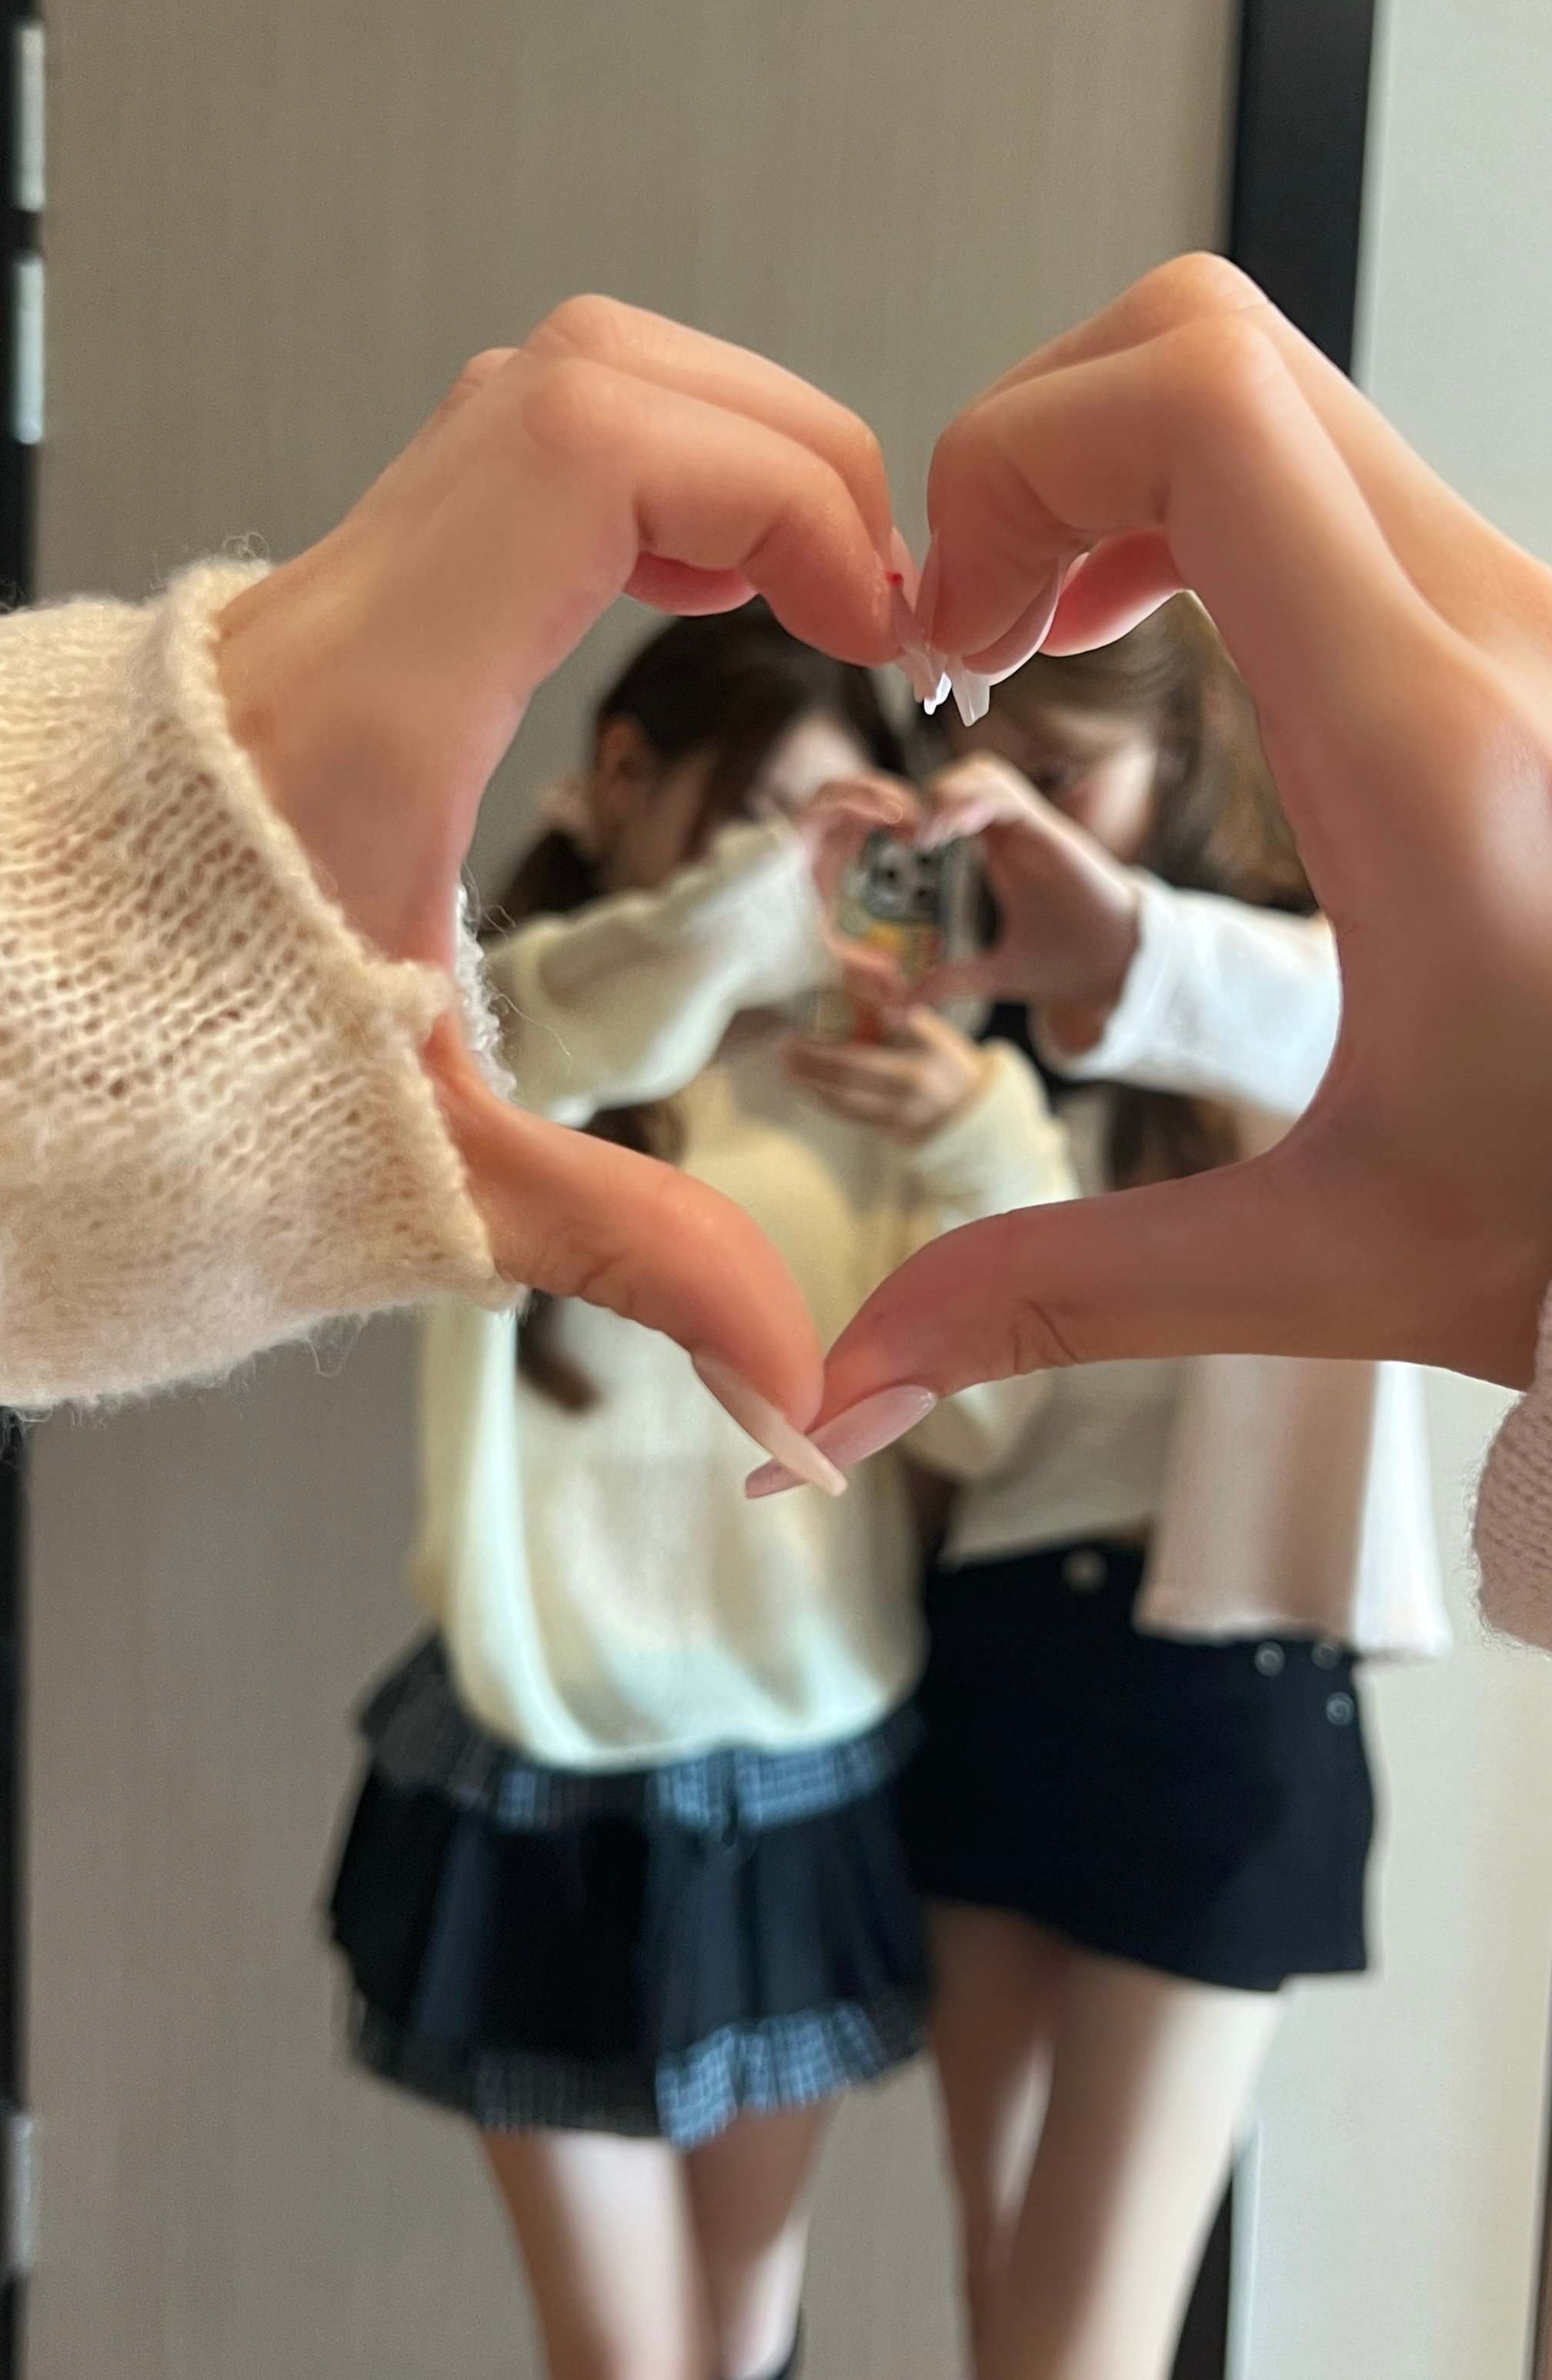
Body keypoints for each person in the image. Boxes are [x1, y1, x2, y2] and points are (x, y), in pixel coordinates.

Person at [0, 264, 1552, 1802]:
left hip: (961, 1702)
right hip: (615, 1701)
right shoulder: (584, 1005)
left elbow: (973, 1393)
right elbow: (591, 1029)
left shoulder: (1083, 1023)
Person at [325, 605, 1073, 2380]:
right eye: (761, 821)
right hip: (541, 1756)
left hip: (794, 1763)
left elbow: (985, 1433)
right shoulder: (507, 1037)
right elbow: (585, 1016)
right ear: (617, 777)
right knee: (623, 2355)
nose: (799, 884)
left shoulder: (875, 1096)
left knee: (738, 2335)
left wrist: (975, 1130)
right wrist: (779, 891)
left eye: (838, 840)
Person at [784, 599, 1447, 2378]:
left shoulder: (1297, 982)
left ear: (1184, 749)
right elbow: (948, 1430)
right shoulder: (977, 1051)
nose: (1014, 819)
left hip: (1220, 1692)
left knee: (1079, 2340)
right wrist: (941, 1137)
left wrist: (1115, 934)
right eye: (976, 781)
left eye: (1062, 775)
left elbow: (1345, 1027)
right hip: (1000, 1648)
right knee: (999, 2291)